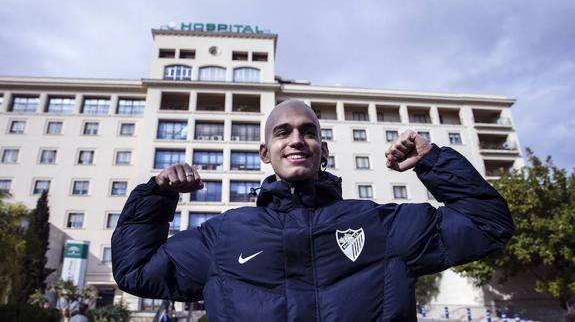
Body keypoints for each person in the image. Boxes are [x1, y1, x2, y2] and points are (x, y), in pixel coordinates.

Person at [112, 99, 514, 321]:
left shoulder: (378, 225)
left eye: (308, 132)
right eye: (283, 132)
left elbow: (487, 223)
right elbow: (136, 270)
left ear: (324, 150)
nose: (297, 140)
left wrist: (432, 161)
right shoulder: (225, 236)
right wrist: (157, 198)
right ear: (264, 153)